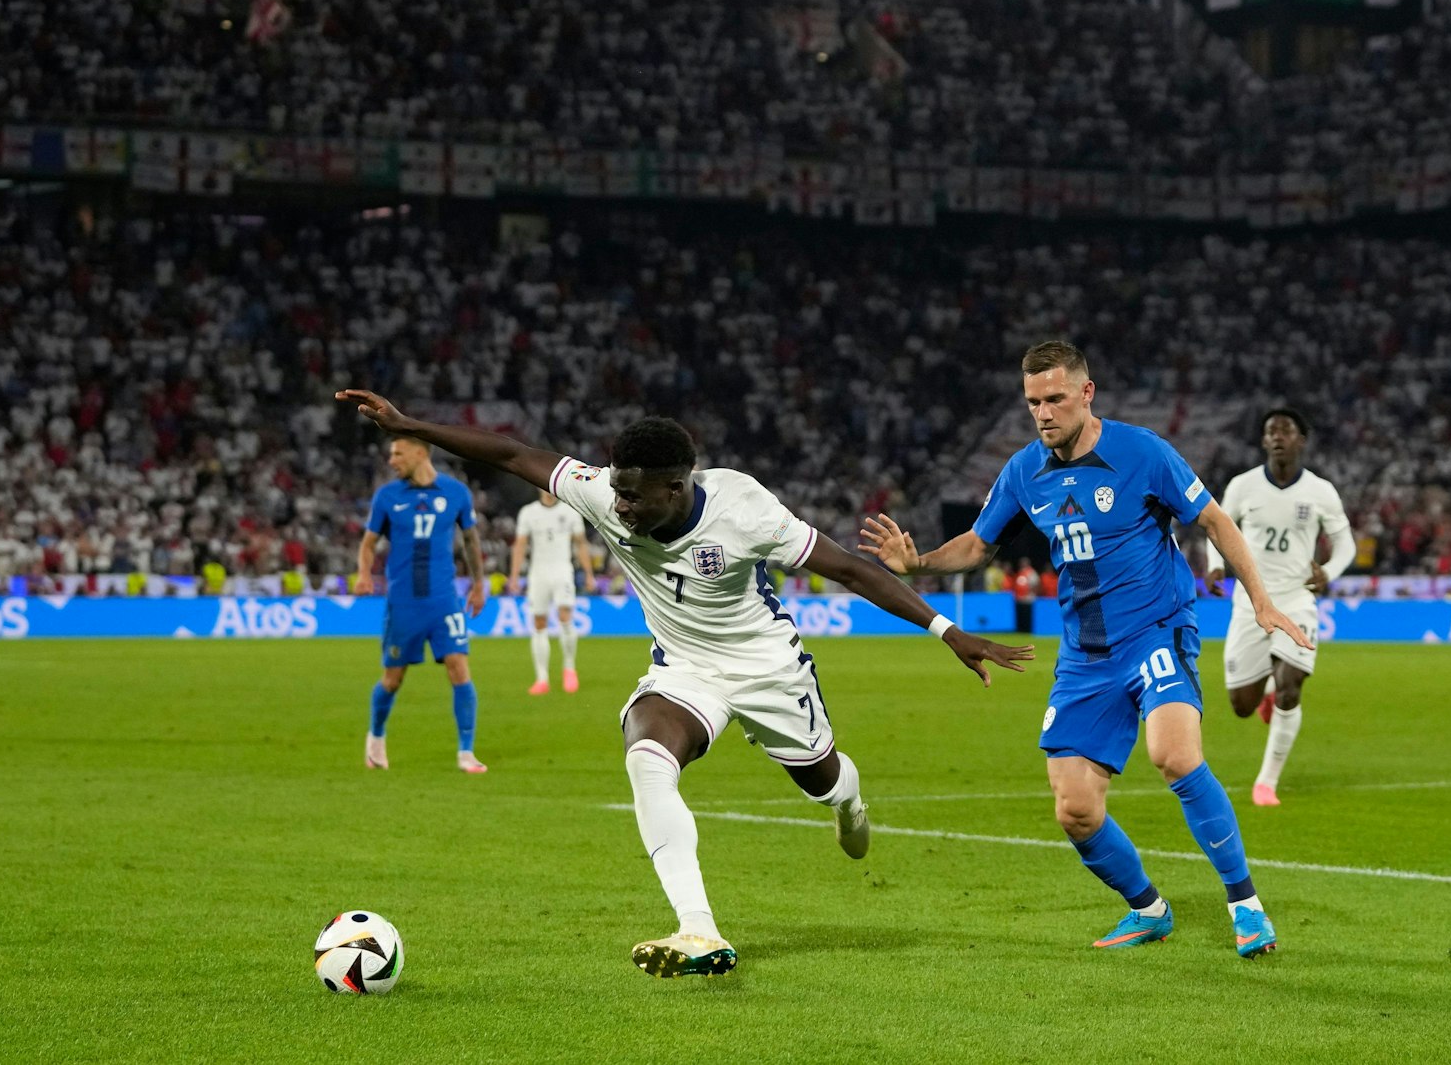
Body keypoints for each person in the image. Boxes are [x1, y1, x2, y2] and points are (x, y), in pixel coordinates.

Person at [334, 389, 1032, 979]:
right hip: (684, 669)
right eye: (617, 490)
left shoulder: (744, 508)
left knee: (822, 780)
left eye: (634, 496)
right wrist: (411, 424)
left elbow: (849, 568)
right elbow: (515, 455)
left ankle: (848, 797)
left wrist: (947, 629)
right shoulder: (606, 491)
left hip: (766, 667)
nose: (620, 506)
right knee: (646, 757)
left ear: (677, 488)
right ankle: (698, 928)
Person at [858, 341, 1308, 959]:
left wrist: (1259, 600)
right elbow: (979, 545)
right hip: (1085, 654)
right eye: (1033, 403)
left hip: (1156, 630)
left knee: (1175, 755)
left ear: (1086, 393)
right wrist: (920, 563)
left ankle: (1246, 905)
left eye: (1055, 399)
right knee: (1074, 809)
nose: (1043, 413)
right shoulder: (1024, 470)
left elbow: (1215, 521)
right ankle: (1148, 909)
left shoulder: (1142, 452)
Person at [1203, 408, 1353, 807]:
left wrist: (1328, 572)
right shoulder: (1243, 486)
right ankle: (1266, 688)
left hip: (1297, 599)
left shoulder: (1320, 491)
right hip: (1251, 602)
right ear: (1264, 441)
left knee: (1291, 688)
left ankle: (1266, 783)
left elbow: (1346, 544)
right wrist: (1216, 564)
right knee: (1242, 705)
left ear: (1301, 441)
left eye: (1286, 431)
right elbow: (1216, 526)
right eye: (1271, 432)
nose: (1278, 437)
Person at [354, 436, 490, 773]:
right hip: (404, 603)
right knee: (392, 679)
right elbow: (368, 544)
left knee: (459, 668)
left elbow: (471, 540)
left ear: (420, 453)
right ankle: (376, 738)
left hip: (444, 599)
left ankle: (466, 752)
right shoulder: (387, 496)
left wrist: (478, 584)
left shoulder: (456, 492)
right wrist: (364, 574)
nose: (392, 461)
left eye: (397, 454)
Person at [511, 490, 594, 695]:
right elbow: (520, 544)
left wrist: (589, 573)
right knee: (539, 622)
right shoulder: (528, 512)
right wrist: (514, 575)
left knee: (565, 616)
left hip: (562, 571)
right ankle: (542, 679)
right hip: (538, 573)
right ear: (538, 488)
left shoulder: (571, 512)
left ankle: (569, 669)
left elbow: (580, 544)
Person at [1011, 557, 1040, 634]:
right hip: (1019, 598)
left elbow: (1036, 585)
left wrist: (1031, 593)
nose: (1022, 564)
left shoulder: (1031, 573)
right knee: (1020, 616)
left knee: (1028, 616)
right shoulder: (1020, 572)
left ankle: (1028, 630)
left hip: (1028, 598)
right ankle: (1020, 630)